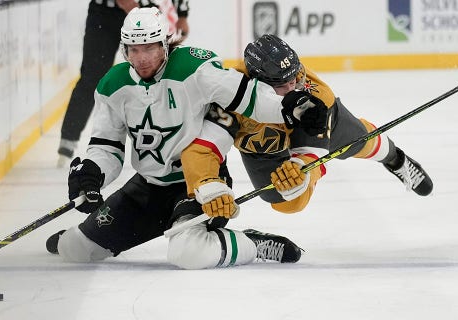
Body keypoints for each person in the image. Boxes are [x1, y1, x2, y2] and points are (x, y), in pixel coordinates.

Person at [46, 8, 328, 269]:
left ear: (164, 44)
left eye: (149, 48)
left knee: (187, 253)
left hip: (198, 184)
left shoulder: (195, 67)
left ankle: (251, 244)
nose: (142, 57)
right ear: (124, 49)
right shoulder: (113, 85)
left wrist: (294, 107)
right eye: (134, 49)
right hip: (147, 187)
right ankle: (91, 234)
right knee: (76, 249)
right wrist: (92, 176)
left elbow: (249, 96)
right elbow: (106, 146)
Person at [181, 34, 433, 219]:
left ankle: (395, 159)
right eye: (282, 85)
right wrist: (208, 184)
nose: (293, 88)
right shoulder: (230, 95)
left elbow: (315, 149)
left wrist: (304, 168)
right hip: (263, 143)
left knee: (359, 140)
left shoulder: (314, 94)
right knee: (287, 202)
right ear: (257, 83)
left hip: (307, 129)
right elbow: (203, 147)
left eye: (295, 78)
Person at [57, 0, 191, 167]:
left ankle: (164, 143)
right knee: (92, 77)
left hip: (147, 13)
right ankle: (67, 141)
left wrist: (183, 14)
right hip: (105, 14)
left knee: (157, 73)